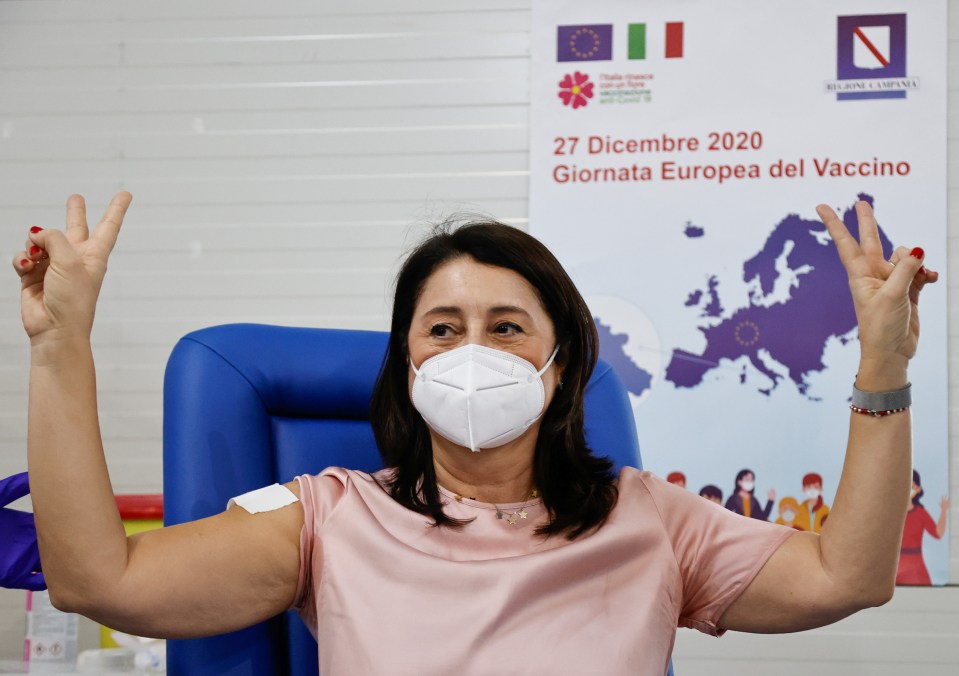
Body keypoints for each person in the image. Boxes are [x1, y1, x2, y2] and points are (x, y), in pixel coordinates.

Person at [12, 194, 936, 674]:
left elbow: (845, 577)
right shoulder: (331, 518)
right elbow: (103, 581)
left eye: (505, 327)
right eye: (442, 329)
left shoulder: (649, 519)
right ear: (407, 365)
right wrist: (61, 348)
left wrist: (881, 369)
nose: (471, 352)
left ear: (560, 362)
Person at [896, 470, 950, 585]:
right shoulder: (893, 514)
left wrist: (944, 511)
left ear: (918, 490)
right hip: (894, 567)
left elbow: (938, 533)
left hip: (916, 565)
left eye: (911, 486)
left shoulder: (921, 513)